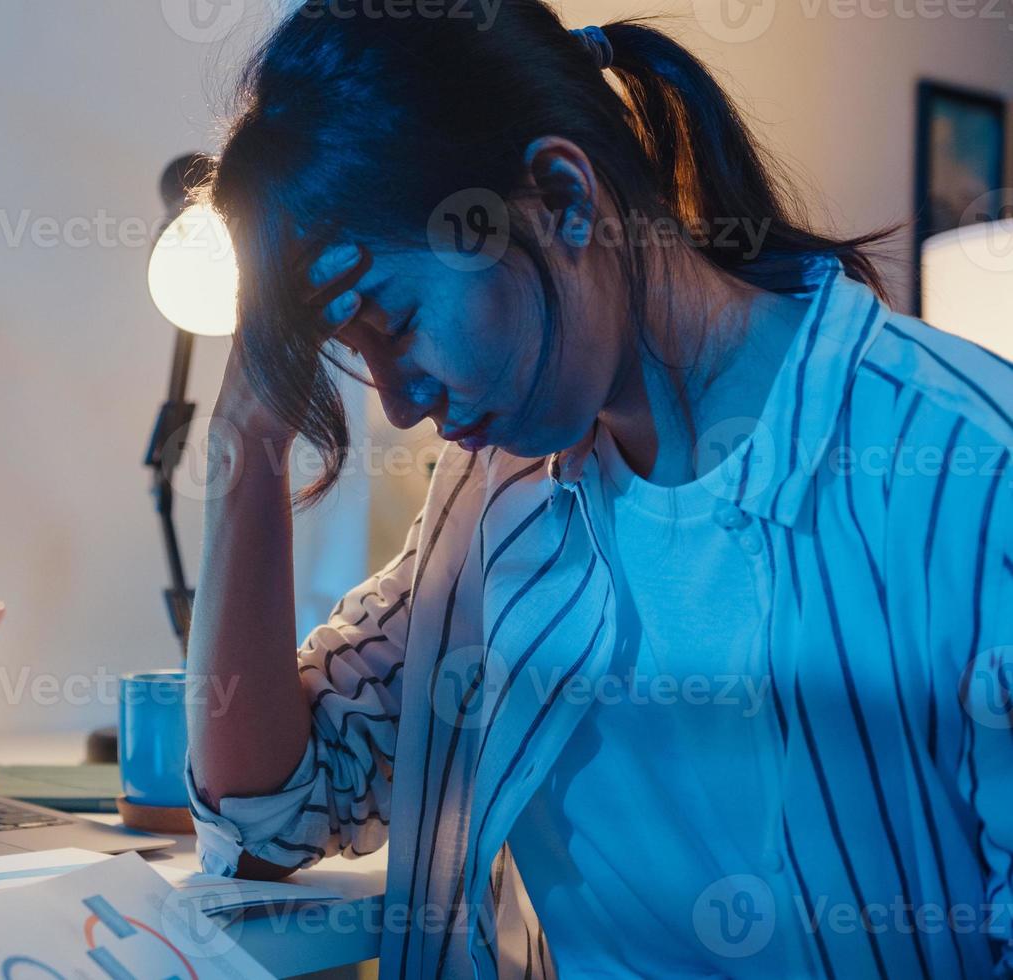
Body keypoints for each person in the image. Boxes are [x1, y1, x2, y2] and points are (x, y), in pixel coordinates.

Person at [184, 4, 1013, 978]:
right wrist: (242, 444)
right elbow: (267, 816)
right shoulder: (495, 494)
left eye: (397, 322)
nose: (400, 406)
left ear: (561, 194)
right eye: (353, 352)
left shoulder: (966, 475)